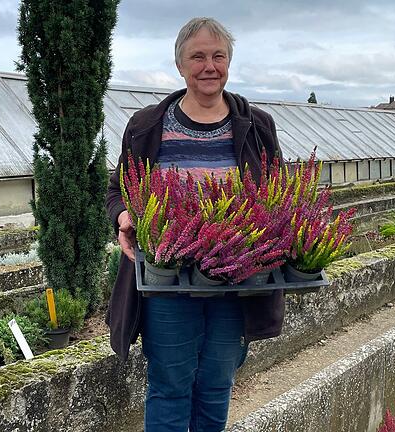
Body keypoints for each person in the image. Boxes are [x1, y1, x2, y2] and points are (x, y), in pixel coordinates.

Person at [104, 17, 286, 432]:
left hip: (234, 285)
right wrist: (124, 216)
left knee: (216, 385)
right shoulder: (148, 125)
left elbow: (280, 195)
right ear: (180, 65)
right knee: (169, 387)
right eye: (198, 56)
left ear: (229, 62)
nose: (209, 66)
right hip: (167, 284)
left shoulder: (257, 126)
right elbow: (117, 190)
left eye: (218, 56)